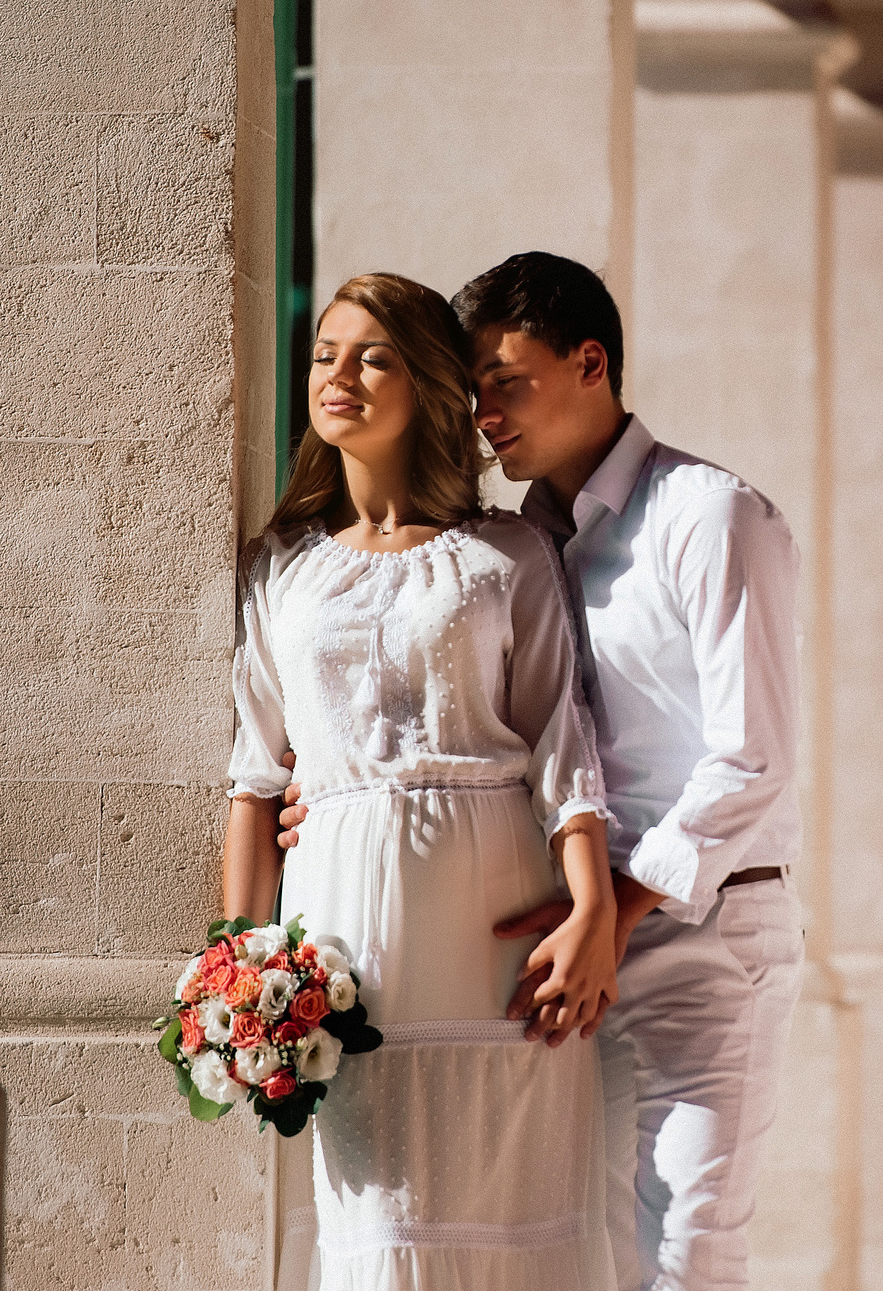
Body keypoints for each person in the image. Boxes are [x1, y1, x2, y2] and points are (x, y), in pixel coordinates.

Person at [278, 253, 805, 1291]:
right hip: (560, 956)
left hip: (702, 940)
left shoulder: (709, 517)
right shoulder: (512, 544)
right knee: (586, 1257)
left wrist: (616, 911)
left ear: (592, 363)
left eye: (508, 382)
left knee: (687, 1257)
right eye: (474, 390)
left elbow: (753, 760)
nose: (485, 413)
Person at [221, 271, 624, 1291]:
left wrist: (591, 910)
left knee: (519, 1220)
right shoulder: (279, 569)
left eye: (373, 356)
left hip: (497, 937)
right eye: (324, 354)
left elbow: (558, 747)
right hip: (344, 938)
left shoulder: (507, 554)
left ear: (428, 384)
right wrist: (237, 968)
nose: (339, 375)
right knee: (377, 1226)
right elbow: (256, 776)